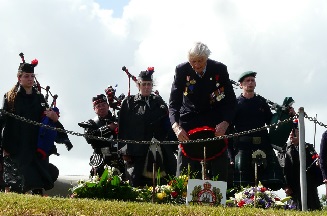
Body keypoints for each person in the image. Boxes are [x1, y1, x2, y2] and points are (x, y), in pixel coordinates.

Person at [169, 41, 237, 181]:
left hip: (215, 122)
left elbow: (231, 101)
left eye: (200, 61)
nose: (197, 65)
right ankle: (181, 198)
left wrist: (226, 122)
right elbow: (173, 103)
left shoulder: (219, 69)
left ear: (207, 58)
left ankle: (220, 198)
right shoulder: (182, 70)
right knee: (185, 168)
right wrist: (176, 126)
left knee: (219, 165)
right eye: (193, 61)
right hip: (189, 122)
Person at [0, 53, 60, 195]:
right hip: (15, 144)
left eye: (32, 76)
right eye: (26, 76)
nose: (30, 79)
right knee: (15, 182)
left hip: (34, 144)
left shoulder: (39, 97)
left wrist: (54, 117)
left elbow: (49, 118)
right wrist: (2, 146)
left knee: (37, 178)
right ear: (19, 78)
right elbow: (2, 120)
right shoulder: (9, 96)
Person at [231, 71, 293, 191]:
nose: (250, 83)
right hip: (243, 146)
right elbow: (229, 128)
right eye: (247, 81)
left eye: (252, 80)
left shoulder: (261, 102)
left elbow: (271, 121)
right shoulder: (235, 104)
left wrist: (285, 115)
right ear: (241, 85)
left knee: (272, 181)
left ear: (255, 84)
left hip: (263, 144)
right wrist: (231, 155)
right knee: (242, 184)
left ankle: (265, 201)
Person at [118, 67, 177, 187]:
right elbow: (123, 128)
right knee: (135, 179)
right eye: (144, 84)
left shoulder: (159, 101)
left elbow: (168, 123)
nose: (146, 87)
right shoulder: (128, 103)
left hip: (160, 146)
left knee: (170, 176)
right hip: (136, 150)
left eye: (149, 84)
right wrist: (124, 151)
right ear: (138, 85)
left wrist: (174, 144)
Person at [78, 94, 124, 177]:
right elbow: (89, 138)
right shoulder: (91, 123)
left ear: (108, 106)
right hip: (100, 159)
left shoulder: (118, 120)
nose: (101, 107)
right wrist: (108, 128)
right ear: (94, 109)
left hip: (119, 158)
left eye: (103, 105)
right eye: (98, 106)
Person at [283, 124, 322, 210]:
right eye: (290, 132)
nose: (291, 134)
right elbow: (282, 169)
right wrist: (285, 185)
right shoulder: (285, 149)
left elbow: (316, 161)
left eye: (294, 132)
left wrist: (318, 164)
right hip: (292, 187)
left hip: (309, 186)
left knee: (312, 208)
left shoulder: (308, 147)